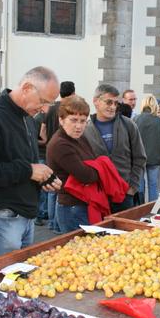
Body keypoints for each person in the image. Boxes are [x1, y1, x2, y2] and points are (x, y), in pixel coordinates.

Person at [0, 67, 62, 261]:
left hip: (24, 218)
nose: (45, 109)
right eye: (43, 101)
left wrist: (44, 178)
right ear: (26, 88)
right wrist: (28, 171)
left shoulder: (26, 118)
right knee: (3, 285)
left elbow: (22, 162)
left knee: (18, 284)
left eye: (49, 104)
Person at [84, 84, 146, 213]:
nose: (113, 107)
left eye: (115, 103)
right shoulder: (85, 129)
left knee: (124, 231)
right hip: (97, 194)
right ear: (96, 101)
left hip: (124, 194)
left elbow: (140, 157)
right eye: (108, 102)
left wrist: (132, 188)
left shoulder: (128, 125)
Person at [46, 96, 98, 233]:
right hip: (72, 207)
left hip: (83, 203)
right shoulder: (60, 144)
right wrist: (100, 169)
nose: (79, 126)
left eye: (83, 121)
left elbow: (93, 163)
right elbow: (87, 176)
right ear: (61, 120)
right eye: (73, 120)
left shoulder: (79, 138)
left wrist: (96, 167)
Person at [41, 81, 76, 234]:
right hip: (63, 150)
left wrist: (48, 141)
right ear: (73, 93)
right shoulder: (68, 109)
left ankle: (51, 222)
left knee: (51, 186)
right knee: (61, 188)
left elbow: (42, 131)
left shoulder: (51, 108)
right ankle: (57, 223)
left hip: (50, 150)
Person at [134, 95, 160, 202]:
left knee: (140, 185)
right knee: (153, 185)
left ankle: (140, 207)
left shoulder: (136, 119)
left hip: (138, 158)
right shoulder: (158, 121)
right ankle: (151, 208)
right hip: (155, 158)